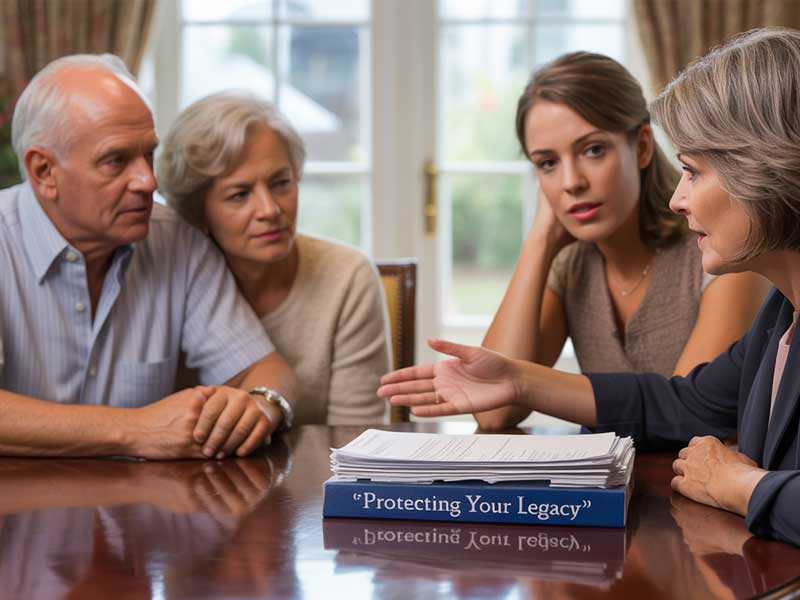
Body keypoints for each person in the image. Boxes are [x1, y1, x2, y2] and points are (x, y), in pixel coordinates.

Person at [379, 28, 800, 546]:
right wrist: (519, 377)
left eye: (693, 172)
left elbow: (692, 429)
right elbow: (680, 404)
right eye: (546, 165)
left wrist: (745, 487)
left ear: (758, 170)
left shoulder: (732, 270)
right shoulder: (782, 310)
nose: (677, 198)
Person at [0, 54, 298, 459]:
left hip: (143, 512)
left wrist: (259, 403)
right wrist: (134, 430)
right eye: (116, 161)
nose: (148, 181)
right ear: (43, 171)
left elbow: (266, 370)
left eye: (148, 155)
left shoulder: (177, 240)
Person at [477, 51, 768, 430]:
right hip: (605, 487)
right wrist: (540, 239)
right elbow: (493, 409)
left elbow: (681, 418)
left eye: (593, 150)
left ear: (642, 147)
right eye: (547, 163)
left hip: (689, 486)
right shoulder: (571, 264)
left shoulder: (720, 250)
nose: (571, 182)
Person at [158, 92, 390, 425]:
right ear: (197, 211)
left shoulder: (347, 277)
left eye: (281, 183)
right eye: (240, 194)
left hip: (317, 475)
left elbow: (354, 437)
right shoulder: (166, 278)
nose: (270, 210)